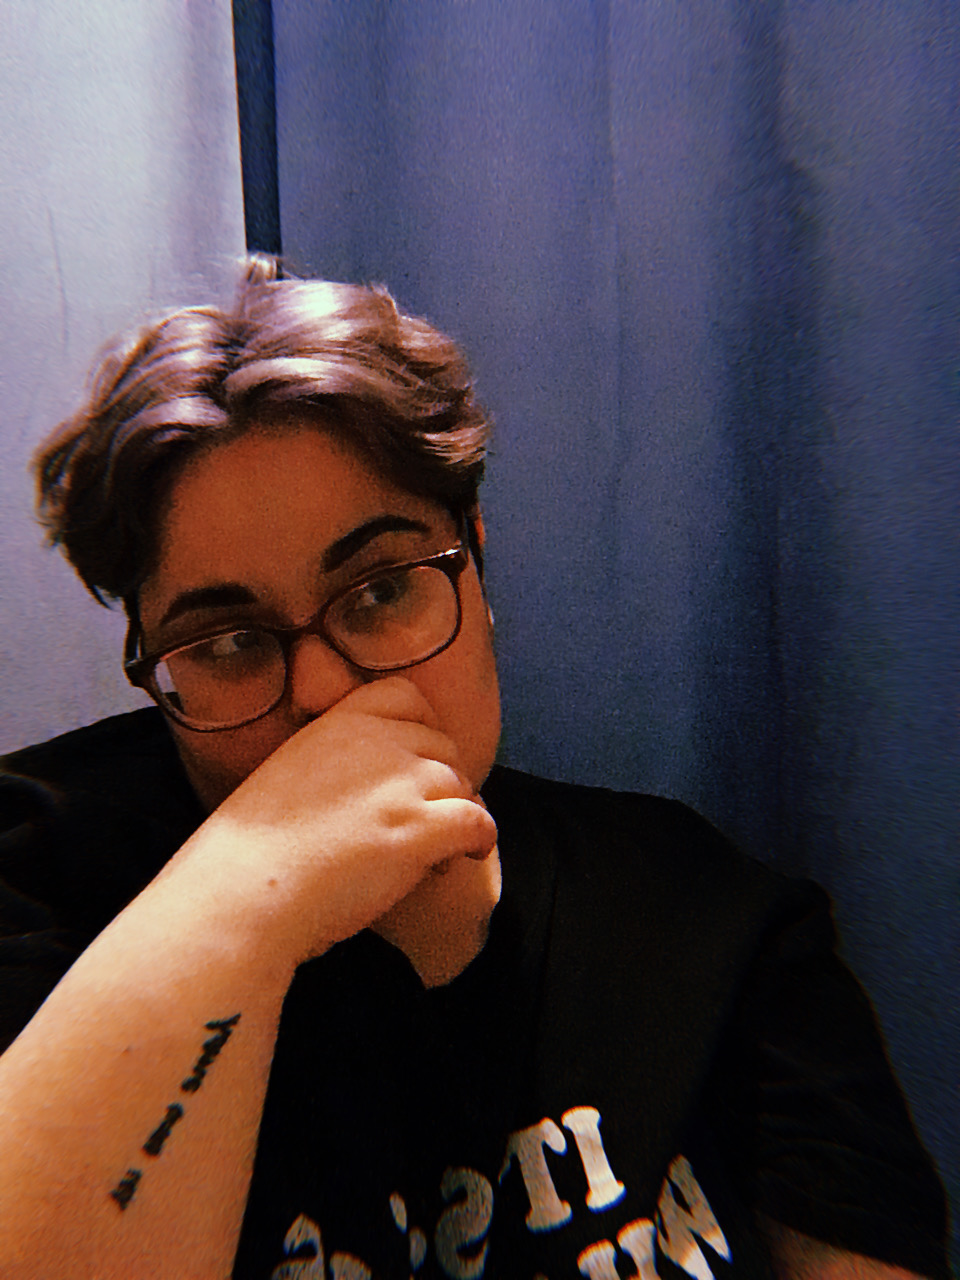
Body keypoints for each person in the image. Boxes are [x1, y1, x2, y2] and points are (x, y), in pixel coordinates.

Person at [0, 256, 949, 1280]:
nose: (323, 691)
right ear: (153, 665)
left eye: (381, 589)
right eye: (226, 642)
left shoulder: (706, 917)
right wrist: (252, 889)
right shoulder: (40, 870)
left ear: (477, 565)